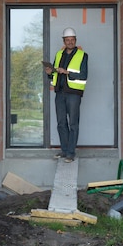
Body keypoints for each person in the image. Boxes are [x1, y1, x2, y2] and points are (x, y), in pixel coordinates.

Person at [44, 27, 88, 163]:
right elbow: (55, 73)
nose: (70, 42)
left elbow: (84, 75)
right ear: (63, 41)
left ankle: (70, 153)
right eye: (67, 40)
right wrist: (49, 73)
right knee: (61, 123)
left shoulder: (82, 55)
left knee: (73, 123)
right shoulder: (59, 54)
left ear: (75, 40)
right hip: (60, 93)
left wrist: (67, 72)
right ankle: (64, 150)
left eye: (72, 40)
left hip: (73, 94)